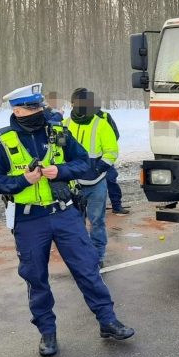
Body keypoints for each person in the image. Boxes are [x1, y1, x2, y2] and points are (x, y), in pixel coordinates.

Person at [0, 83, 134, 357]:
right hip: (29, 220)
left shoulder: (58, 132)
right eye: (32, 107)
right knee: (36, 278)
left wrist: (61, 171)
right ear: (17, 110)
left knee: (88, 268)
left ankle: (108, 321)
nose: (40, 111)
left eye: (40, 106)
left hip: (65, 213)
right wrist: (22, 181)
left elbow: (83, 163)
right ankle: (47, 334)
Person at [65, 88, 118, 266]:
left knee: (97, 222)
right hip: (73, 185)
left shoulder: (101, 123)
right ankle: (81, 256)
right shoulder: (65, 125)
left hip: (96, 183)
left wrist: (98, 168)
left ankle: (98, 256)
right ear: (72, 104)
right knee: (76, 223)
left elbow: (111, 151)